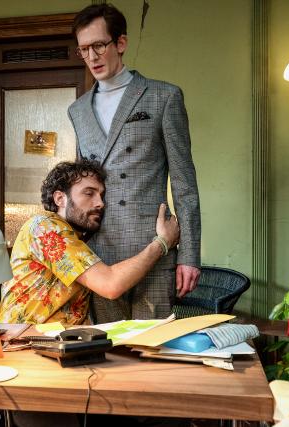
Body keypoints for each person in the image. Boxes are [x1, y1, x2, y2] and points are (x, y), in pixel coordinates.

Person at [68, 3, 201, 323]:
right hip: (100, 255)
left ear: (121, 43)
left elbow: (184, 183)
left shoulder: (163, 97)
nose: (92, 57)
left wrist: (190, 255)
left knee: (152, 346)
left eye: (99, 45)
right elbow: (81, 184)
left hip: (154, 247)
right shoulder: (78, 110)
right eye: (84, 49)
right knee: (107, 346)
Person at [0, 159, 179, 325]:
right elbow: (110, 284)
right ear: (60, 198)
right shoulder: (45, 227)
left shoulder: (79, 240)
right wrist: (163, 242)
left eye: (101, 195)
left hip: (56, 341)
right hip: (18, 341)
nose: (100, 203)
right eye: (89, 193)